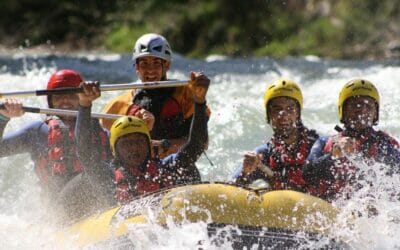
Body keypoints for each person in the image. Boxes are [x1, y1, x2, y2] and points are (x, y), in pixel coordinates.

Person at [56, 72, 209, 221]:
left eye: (139, 142)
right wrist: (84, 104)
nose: (134, 148)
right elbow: (84, 151)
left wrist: (200, 101)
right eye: (126, 144)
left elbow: (195, 146)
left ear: (149, 146)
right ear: (115, 150)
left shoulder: (166, 168)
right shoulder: (106, 176)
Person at [0, 69, 112, 204]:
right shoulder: (37, 132)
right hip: (60, 207)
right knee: (92, 176)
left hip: (99, 200)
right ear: (51, 102)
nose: (65, 100)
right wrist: (3, 118)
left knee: (106, 171)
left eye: (71, 94)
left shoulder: (101, 131)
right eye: (58, 95)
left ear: (81, 97)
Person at [101, 33, 211, 158]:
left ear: (167, 65)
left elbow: (203, 144)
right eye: (144, 64)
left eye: (156, 63)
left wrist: (165, 145)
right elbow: (106, 146)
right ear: (136, 67)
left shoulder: (186, 95)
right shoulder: (121, 105)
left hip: (176, 164)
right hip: (139, 168)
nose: (150, 70)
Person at [303, 79, 400, 201]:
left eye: (368, 106)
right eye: (355, 105)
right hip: (334, 211)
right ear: (343, 111)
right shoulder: (325, 142)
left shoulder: (386, 145)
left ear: (375, 114)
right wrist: (332, 156)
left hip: (372, 213)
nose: (362, 110)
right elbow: (307, 174)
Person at [233, 79, 319, 193]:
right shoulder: (264, 155)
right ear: (269, 114)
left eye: (290, 109)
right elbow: (233, 188)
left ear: (297, 113)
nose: (283, 115)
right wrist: (245, 173)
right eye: (277, 109)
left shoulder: (318, 147)